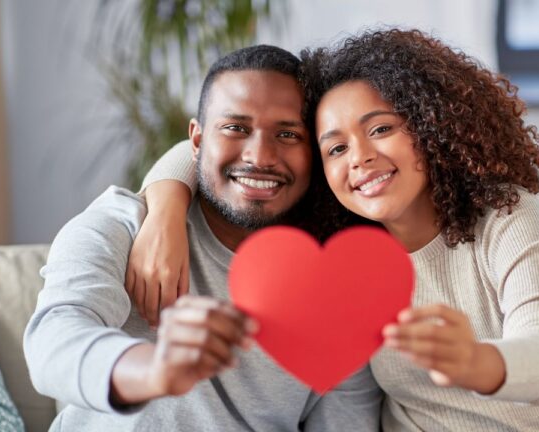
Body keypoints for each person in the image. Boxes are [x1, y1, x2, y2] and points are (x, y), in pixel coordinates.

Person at [130, 29, 539, 430]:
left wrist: (474, 362)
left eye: (380, 129)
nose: (359, 157)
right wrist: (167, 209)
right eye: (335, 149)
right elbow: (218, 149)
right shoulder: (340, 249)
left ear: (430, 125)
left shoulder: (504, 216)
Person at [23, 45, 382, 432]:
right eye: (235, 128)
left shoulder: (339, 285)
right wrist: (151, 369)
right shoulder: (124, 226)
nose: (260, 155)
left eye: (287, 134)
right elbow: (54, 339)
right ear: (196, 141)